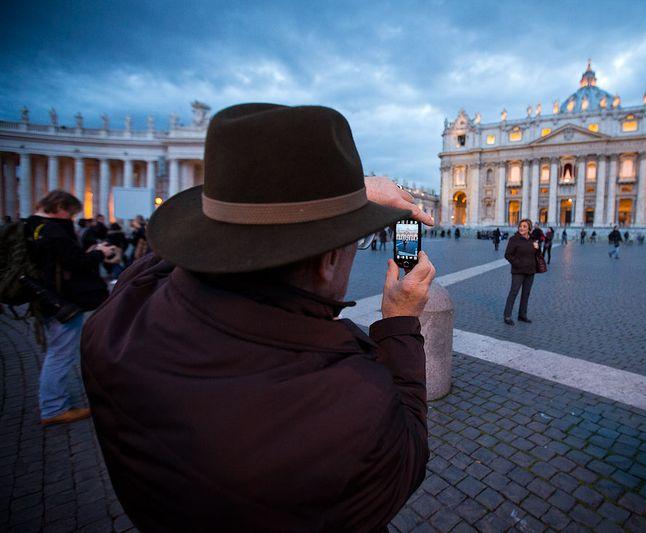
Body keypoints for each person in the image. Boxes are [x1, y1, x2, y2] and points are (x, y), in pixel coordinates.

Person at [81, 104, 437, 531]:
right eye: (351, 242)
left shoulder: (117, 321)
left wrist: (338, 195)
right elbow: (408, 453)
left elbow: (164, 258)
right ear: (328, 260)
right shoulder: (353, 409)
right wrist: (399, 319)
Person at [27, 191, 114, 426]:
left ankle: (52, 404)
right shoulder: (54, 231)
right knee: (60, 355)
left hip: (44, 297)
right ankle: (54, 407)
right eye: (69, 212)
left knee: (57, 352)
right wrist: (99, 253)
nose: (70, 218)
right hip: (62, 300)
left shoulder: (30, 226)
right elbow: (77, 264)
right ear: (58, 206)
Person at [502, 219, 538, 325]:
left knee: (526, 294)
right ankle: (507, 316)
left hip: (530, 271)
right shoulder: (514, 239)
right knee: (514, 292)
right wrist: (517, 263)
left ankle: (522, 315)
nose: (521, 228)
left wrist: (537, 249)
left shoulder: (533, 240)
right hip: (518, 271)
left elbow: (536, 254)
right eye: (520, 226)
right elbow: (508, 255)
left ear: (529, 229)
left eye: (524, 226)